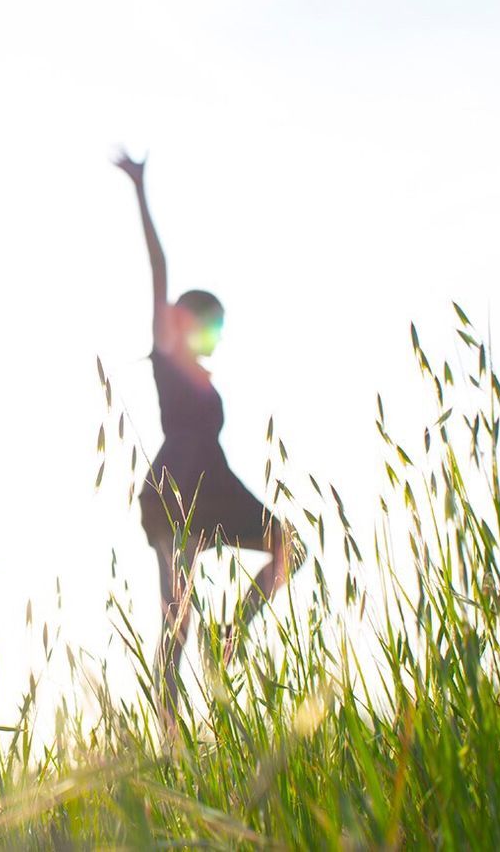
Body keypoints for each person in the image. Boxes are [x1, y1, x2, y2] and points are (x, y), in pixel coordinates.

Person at [114, 150, 293, 716]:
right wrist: (140, 189)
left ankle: (231, 636)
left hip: (214, 483)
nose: (218, 334)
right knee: (177, 610)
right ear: (189, 322)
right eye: (213, 323)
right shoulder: (168, 355)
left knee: (285, 546)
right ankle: (168, 729)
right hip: (178, 487)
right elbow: (157, 267)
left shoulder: (200, 375)